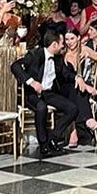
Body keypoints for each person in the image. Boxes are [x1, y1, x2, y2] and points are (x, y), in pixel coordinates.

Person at [10, 30, 80, 158]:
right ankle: (43, 145)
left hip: (49, 93)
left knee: (73, 109)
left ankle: (53, 138)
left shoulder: (58, 58)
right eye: (61, 44)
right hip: (32, 94)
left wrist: (77, 78)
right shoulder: (35, 54)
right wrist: (31, 82)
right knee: (41, 107)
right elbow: (15, 66)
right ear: (54, 45)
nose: (63, 46)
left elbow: (65, 73)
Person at [62, 29, 97, 148]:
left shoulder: (84, 49)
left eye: (72, 38)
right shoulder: (63, 52)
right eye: (67, 39)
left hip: (78, 90)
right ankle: (88, 119)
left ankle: (74, 131)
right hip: (64, 88)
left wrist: (90, 55)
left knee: (78, 89)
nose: (69, 42)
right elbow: (63, 76)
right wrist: (86, 86)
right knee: (76, 87)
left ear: (78, 38)